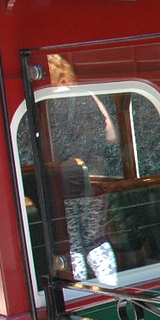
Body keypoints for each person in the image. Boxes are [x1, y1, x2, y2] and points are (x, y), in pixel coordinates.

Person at [45, 54, 119, 285]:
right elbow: (111, 136)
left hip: (62, 183)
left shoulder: (44, 100)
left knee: (72, 243)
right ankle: (111, 285)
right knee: (96, 239)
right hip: (93, 178)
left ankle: (80, 293)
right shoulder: (87, 96)